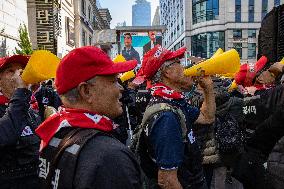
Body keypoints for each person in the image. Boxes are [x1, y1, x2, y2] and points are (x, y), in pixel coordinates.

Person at [36, 46, 142, 189]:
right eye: (113, 81)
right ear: (86, 91)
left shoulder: (53, 133)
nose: (121, 88)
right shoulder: (110, 157)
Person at [132, 45, 216, 189]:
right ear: (167, 71)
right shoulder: (166, 117)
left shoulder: (174, 103)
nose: (185, 67)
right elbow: (167, 181)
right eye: (179, 62)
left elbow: (207, 117)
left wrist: (208, 88)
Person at [0, 55, 41, 189]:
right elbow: (7, 135)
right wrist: (21, 92)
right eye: (11, 71)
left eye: (22, 70)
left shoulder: (31, 111)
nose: (19, 74)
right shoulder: (20, 104)